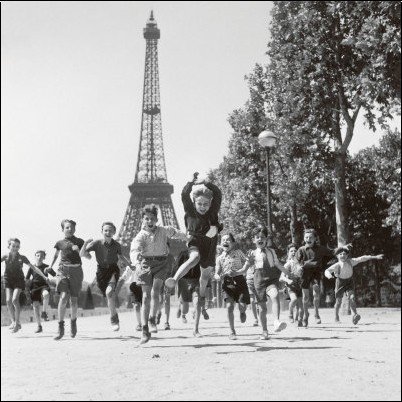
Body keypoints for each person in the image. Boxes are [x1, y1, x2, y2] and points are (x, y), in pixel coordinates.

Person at [166, 173, 223, 318]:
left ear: (210, 204)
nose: (203, 207)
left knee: (204, 277)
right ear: (193, 202)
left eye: (206, 204)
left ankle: (201, 298)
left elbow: (217, 193)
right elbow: (184, 193)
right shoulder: (190, 210)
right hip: (195, 241)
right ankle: (175, 279)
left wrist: (206, 183)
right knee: (194, 258)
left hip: (210, 244)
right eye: (199, 204)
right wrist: (192, 182)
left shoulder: (213, 211)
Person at [130, 204, 187, 344]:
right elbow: (134, 250)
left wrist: (188, 237)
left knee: (156, 292)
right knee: (145, 296)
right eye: (147, 219)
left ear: (156, 219)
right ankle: (144, 329)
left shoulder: (164, 230)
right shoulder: (141, 235)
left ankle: (152, 319)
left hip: (161, 263)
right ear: (143, 220)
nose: (149, 221)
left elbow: (176, 233)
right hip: (145, 264)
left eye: (152, 219)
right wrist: (136, 263)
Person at [80, 222, 132, 331]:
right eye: (105, 230)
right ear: (102, 232)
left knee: (109, 293)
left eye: (110, 230)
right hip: (101, 272)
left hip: (113, 270)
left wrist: (130, 265)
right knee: (109, 296)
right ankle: (114, 316)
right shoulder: (96, 243)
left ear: (114, 232)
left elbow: (121, 256)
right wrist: (85, 244)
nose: (108, 232)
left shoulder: (117, 245)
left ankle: (113, 320)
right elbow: (82, 254)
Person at [243, 226, 287, 340]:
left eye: (262, 237)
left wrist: (288, 273)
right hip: (258, 280)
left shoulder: (272, 251)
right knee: (262, 308)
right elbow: (246, 268)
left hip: (271, 278)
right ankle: (264, 331)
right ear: (254, 240)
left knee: (275, 295)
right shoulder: (252, 253)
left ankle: (276, 322)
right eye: (257, 237)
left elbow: (278, 264)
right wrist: (238, 272)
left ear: (266, 239)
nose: (260, 239)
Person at [325, 246, 383, 325]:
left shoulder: (351, 262)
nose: (343, 255)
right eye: (340, 254)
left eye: (344, 254)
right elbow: (327, 270)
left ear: (347, 255)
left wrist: (375, 257)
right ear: (337, 256)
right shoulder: (336, 265)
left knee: (351, 298)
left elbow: (362, 258)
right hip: (340, 282)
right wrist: (329, 276)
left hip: (349, 282)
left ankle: (355, 315)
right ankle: (336, 316)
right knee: (338, 301)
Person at [1, 238, 50, 333]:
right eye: (13, 246)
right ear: (9, 246)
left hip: (19, 281)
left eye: (17, 246)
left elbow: (34, 268)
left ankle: (17, 323)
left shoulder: (22, 257)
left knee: (14, 299)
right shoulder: (5, 256)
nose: (15, 248)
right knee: (8, 300)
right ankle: (13, 321)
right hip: (7, 280)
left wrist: (44, 276)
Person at [48, 219, 85, 340]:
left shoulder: (79, 241)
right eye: (67, 227)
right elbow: (55, 255)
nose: (70, 229)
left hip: (76, 271)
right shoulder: (59, 243)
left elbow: (85, 256)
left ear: (75, 229)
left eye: (72, 227)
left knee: (73, 300)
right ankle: (60, 327)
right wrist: (50, 266)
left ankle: (73, 322)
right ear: (62, 229)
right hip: (63, 270)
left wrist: (78, 249)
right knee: (63, 297)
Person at [214, 233, 250, 340]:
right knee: (229, 307)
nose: (225, 241)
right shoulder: (219, 258)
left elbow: (247, 261)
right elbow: (217, 272)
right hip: (227, 283)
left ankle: (242, 312)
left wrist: (242, 270)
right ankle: (232, 331)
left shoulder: (238, 252)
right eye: (223, 240)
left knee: (242, 306)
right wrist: (217, 276)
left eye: (228, 240)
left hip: (240, 281)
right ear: (221, 244)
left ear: (233, 243)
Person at [296, 228, 335, 327]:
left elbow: (332, 252)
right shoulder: (301, 249)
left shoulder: (321, 249)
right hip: (304, 274)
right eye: (306, 237)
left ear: (315, 239)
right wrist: (299, 267)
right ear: (304, 238)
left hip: (316, 274)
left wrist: (343, 248)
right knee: (305, 297)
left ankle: (316, 313)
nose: (308, 239)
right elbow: (297, 262)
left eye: (310, 237)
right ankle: (305, 315)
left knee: (316, 292)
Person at [25, 250, 56, 333]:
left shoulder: (47, 266)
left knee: (46, 295)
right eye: (38, 255)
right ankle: (39, 326)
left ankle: (44, 312)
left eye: (42, 256)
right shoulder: (31, 267)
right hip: (34, 287)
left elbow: (56, 275)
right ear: (35, 257)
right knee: (35, 307)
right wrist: (26, 290)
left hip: (44, 285)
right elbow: (27, 279)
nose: (39, 257)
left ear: (44, 258)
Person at [176, 250, 204, 337]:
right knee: (185, 310)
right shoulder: (183, 254)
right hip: (184, 281)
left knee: (197, 303)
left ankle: (195, 330)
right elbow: (177, 267)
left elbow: (205, 268)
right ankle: (181, 308)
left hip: (196, 281)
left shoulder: (201, 253)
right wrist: (174, 279)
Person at [279, 244, 304, 326]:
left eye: (295, 251)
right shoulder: (288, 264)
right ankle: (290, 314)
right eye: (291, 251)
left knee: (300, 306)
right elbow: (281, 277)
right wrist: (288, 280)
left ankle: (298, 320)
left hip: (300, 286)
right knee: (294, 299)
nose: (293, 252)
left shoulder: (301, 263)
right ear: (288, 253)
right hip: (291, 286)